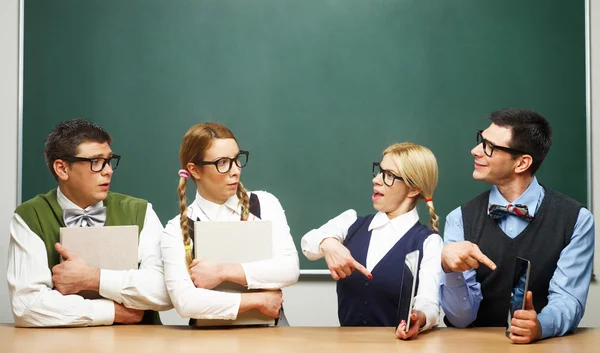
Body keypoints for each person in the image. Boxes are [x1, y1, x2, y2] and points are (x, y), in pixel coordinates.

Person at [440, 109, 595, 344]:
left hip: (544, 347)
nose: (475, 151)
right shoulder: (459, 219)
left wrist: (540, 325)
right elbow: (461, 320)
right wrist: (450, 270)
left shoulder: (576, 220)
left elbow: (568, 299)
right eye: (480, 140)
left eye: (489, 147)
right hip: (476, 348)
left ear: (522, 163)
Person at [7, 118, 172, 327]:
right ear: (62, 169)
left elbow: (165, 291)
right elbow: (27, 305)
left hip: (139, 345)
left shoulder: (140, 211)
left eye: (109, 160)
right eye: (96, 162)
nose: (108, 170)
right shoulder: (30, 216)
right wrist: (113, 311)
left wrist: (93, 278)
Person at [301, 142, 442, 339]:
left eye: (389, 175)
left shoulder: (428, 242)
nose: (376, 180)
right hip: (347, 347)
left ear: (413, 189)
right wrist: (329, 244)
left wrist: (420, 317)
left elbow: (429, 303)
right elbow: (308, 243)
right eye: (379, 171)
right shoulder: (351, 223)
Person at [161, 122, 299, 323]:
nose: (235, 171)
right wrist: (257, 300)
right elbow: (186, 302)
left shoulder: (263, 205)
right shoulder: (177, 229)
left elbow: (289, 269)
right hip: (206, 340)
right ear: (195, 170)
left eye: (236, 159)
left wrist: (221, 272)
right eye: (223, 163)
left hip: (271, 334)